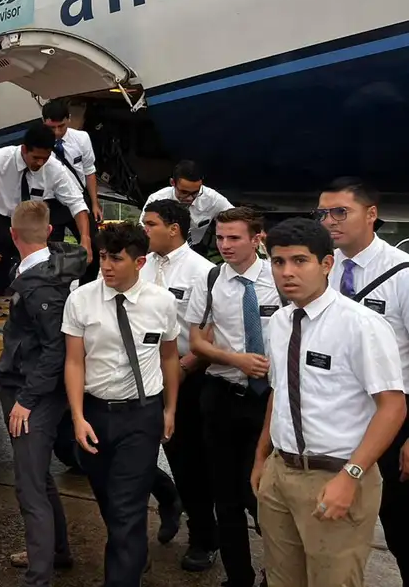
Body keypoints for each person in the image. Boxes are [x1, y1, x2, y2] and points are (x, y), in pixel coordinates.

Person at [251, 218, 406, 587]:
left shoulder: (362, 325)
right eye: (278, 261)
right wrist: (262, 458)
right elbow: (280, 392)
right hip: (280, 473)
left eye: (299, 261)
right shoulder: (281, 322)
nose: (287, 272)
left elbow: (393, 406)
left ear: (326, 264)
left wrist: (351, 477)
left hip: (336, 475)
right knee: (281, 579)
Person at [63, 221, 180, 587]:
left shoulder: (161, 302)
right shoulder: (81, 299)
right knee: (110, 505)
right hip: (96, 414)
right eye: (102, 256)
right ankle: (133, 557)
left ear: (140, 262)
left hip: (141, 414)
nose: (107, 265)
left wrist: (170, 409)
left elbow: (170, 357)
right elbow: (74, 361)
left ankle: (122, 577)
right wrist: (78, 416)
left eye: (116, 258)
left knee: (128, 509)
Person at [317, 177, 409, 577]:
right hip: (335, 419)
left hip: (392, 419)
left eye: (341, 212)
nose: (330, 221)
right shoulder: (323, 269)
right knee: (328, 522)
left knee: (401, 527)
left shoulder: (402, 274)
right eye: (323, 213)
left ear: (371, 215)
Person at [185, 207, 279, 587]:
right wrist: (233, 359)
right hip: (221, 395)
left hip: (267, 401)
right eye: (220, 238)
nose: (224, 245)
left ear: (257, 238)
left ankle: (278, 573)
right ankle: (238, 578)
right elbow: (196, 341)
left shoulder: (279, 278)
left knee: (263, 496)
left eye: (234, 238)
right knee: (224, 496)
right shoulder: (210, 280)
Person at [0, 200, 87, 586]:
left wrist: (26, 400)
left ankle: (38, 578)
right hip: (35, 388)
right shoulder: (54, 267)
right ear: (50, 232)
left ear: (13, 235)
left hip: (31, 392)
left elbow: (56, 348)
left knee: (29, 486)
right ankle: (55, 552)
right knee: (39, 479)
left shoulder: (39, 285)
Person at [140, 199, 219, 571]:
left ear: (174, 228)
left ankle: (204, 537)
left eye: (150, 224)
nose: (144, 230)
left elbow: (213, 331)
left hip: (185, 375)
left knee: (189, 462)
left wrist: (185, 367)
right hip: (141, 374)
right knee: (133, 453)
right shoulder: (143, 265)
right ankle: (169, 497)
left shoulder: (202, 272)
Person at [0, 123, 92, 290]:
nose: (40, 163)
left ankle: (31, 293)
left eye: (45, 157)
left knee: (41, 254)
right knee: (7, 251)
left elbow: (76, 203)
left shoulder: (54, 169)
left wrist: (85, 238)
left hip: (26, 220)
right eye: (36, 158)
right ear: (24, 149)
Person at [42, 99, 102, 284]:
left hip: (78, 199)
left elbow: (89, 171)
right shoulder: (38, 141)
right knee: (52, 254)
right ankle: (55, 293)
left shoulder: (81, 138)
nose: (57, 132)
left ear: (69, 119)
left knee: (93, 246)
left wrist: (94, 203)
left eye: (61, 126)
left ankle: (86, 287)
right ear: (44, 122)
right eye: (52, 128)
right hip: (50, 203)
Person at [140, 161, 233, 257]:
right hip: (161, 249)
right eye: (184, 192)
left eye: (195, 193)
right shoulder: (157, 199)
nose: (190, 198)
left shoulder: (212, 199)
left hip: (194, 249)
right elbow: (143, 230)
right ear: (172, 183)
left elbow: (236, 218)